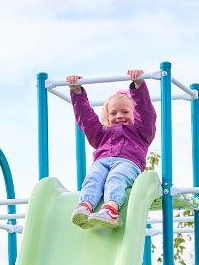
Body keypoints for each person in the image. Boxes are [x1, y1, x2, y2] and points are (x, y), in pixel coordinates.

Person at [67, 68, 157, 228]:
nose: (119, 116)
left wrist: (138, 87)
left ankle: (111, 209)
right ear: (107, 117)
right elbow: (86, 119)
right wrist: (77, 92)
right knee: (93, 176)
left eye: (125, 111)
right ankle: (85, 205)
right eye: (113, 113)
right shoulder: (101, 134)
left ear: (134, 114)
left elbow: (147, 112)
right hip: (103, 161)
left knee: (116, 178)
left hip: (128, 163)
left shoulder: (142, 132)